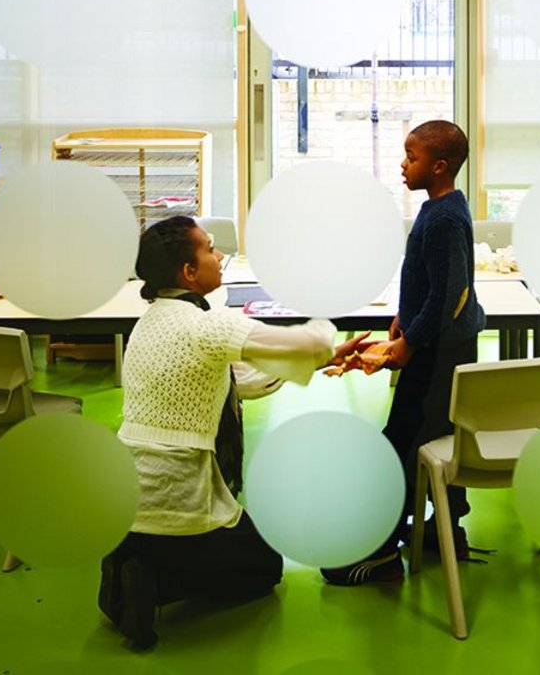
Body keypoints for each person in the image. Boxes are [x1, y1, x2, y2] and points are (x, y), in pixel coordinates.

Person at [98, 215, 361, 647]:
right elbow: (303, 345)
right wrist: (327, 337)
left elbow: (241, 378)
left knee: (167, 538)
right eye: (209, 249)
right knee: (263, 568)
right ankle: (155, 582)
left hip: (128, 487)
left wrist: (327, 358)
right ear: (188, 272)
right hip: (179, 487)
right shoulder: (208, 324)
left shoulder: (148, 323)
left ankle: (130, 562)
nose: (220, 256)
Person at [321, 120, 485, 586]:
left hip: (437, 354)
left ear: (438, 167)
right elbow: (429, 282)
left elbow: (449, 294)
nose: (402, 164)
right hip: (433, 343)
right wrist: (402, 318)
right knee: (428, 435)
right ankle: (444, 531)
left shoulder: (447, 218)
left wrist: (410, 343)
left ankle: (381, 552)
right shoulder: (439, 210)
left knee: (403, 443)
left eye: (410, 157)